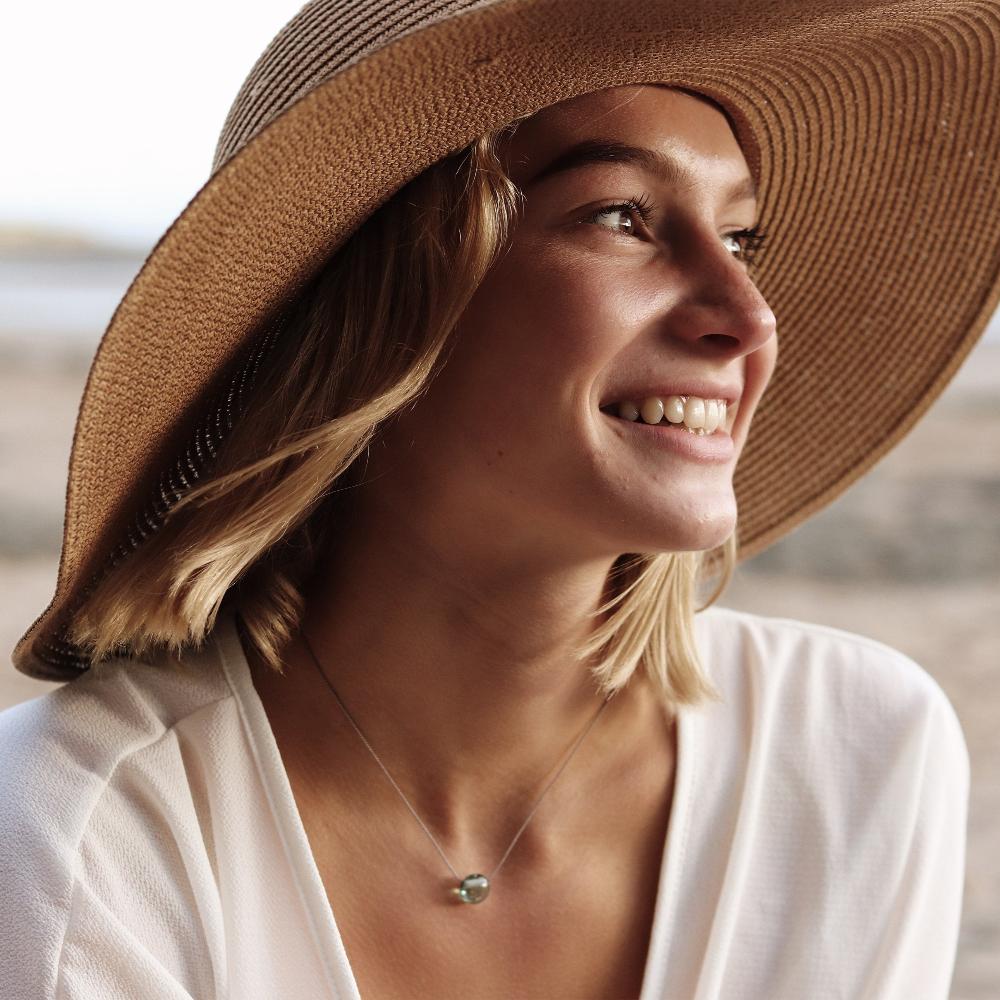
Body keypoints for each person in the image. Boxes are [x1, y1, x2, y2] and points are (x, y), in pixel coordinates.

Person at [1, 1, 993, 997]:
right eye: (623, 216)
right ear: (383, 308)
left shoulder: (853, 749)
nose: (747, 319)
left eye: (742, 241)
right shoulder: (95, 825)